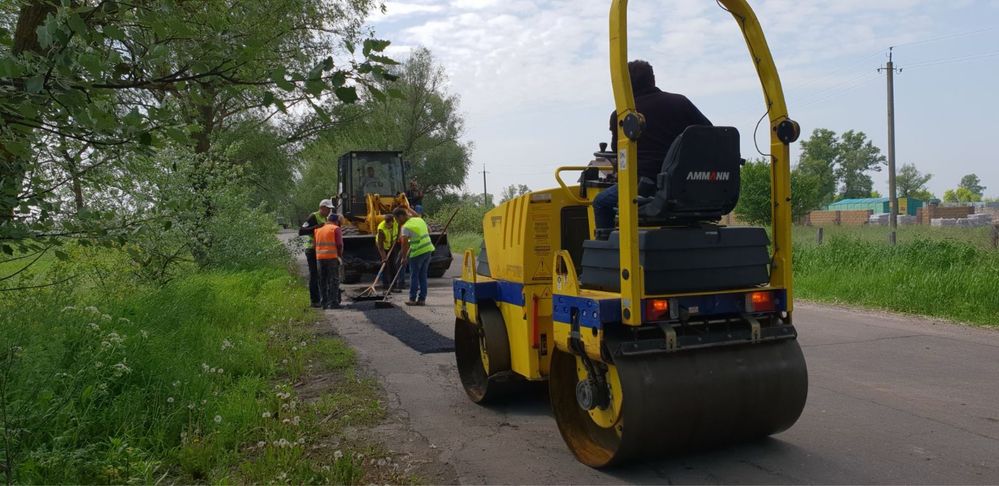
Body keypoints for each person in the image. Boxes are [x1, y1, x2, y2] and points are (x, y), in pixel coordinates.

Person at [592, 60, 712, 234]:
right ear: (653, 79)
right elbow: (708, 133)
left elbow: (620, 153)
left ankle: (607, 254)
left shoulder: (623, 115)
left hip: (645, 185)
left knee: (601, 202)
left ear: (625, 84)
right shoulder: (681, 103)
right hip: (684, 184)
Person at [393, 206, 435, 306]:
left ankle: (412, 299)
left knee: (414, 276)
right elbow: (428, 231)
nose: (397, 222)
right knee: (423, 276)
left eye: (396, 219)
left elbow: (404, 244)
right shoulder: (419, 220)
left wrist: (403, 258)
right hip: (428, 250)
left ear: (401, 216)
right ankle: (422, 300)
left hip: (417, 253)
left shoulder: (406, 227)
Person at [298, 199, 334, 307]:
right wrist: (316, 227)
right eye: (328, 209)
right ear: (322, 207)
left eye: (330, 209)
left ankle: (323, 298)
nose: (329, 211)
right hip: (311, 249)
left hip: (320, 250)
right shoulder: (313, 217)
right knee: (314, 275)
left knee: (322, 275)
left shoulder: (325, 218)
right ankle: (314, 301)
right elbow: (301, 231)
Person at [313, 213, 344, 309]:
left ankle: (324, 303)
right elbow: (339, 244)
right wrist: (339, 256)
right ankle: (334, 303)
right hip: (331, 257)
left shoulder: (317, 230)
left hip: (319, 258)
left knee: (322, 280)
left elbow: (314, 244)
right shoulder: (335, 229)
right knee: (334, 280)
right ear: (336, 221)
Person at [375, 213, 401, 293]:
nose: (387, 226)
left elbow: (399, 229)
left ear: (392, 222)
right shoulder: (381, 229)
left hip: (392, 245)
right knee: (385, 265)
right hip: (383, 246)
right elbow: (380, 246)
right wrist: (384, 257)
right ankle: (386, 286)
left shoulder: (396, 223)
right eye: (386, 224)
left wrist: (396, 238)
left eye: (389, 224)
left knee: (393, 265)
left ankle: (394, 285)